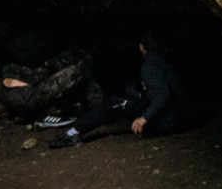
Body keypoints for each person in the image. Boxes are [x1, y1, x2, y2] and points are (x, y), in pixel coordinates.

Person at [49, 40, 190, 147]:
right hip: (176, 116)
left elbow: (163, 95)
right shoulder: (164, 62)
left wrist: (144, 118)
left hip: (165, 122)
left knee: (113, 103)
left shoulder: (149, 66)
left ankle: (73, 133)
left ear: (142, 46)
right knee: (130, 89)